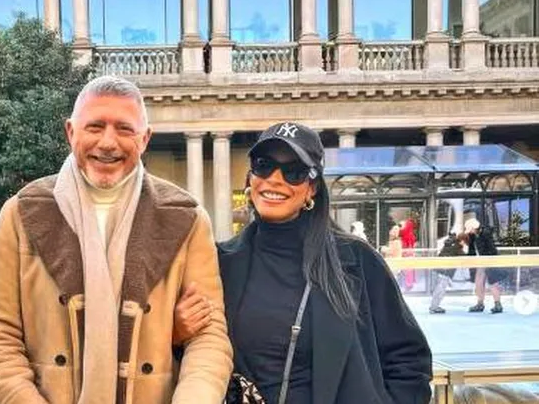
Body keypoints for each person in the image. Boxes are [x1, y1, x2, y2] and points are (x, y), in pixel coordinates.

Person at [0, 76, 233, 404]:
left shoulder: (186, 218)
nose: (108, 142)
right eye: (95, 127)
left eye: (124, 129)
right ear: (71, 132)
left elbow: (209, 338)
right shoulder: (21, 214)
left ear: (144, 139)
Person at [174, 122, 432, 404]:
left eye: (294, 171)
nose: (274, 179)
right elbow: (197, 360)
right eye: (263, 165)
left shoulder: (357, 260)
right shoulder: (220, 263)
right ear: (250, 178)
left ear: (312, 188)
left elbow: (409, 360)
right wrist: (177, 335)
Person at [465, 218, 506, 314]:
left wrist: (489, 261)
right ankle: (480, 304)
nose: (469, 232)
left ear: (474, 228)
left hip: (490, 261)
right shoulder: (472, 235)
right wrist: (470, 260)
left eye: (470, 229)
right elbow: (471, 250)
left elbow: (492, 249)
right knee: (478, 282)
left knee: (493, 283)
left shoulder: (486, 234)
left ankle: (498, 304)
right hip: (480, 262)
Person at [429, 232, 469, 314]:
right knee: (440, 289)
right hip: (445, 270)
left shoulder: (449, 243)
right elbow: (465, 258)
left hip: (438, 268)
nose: (464, 245)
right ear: (462, 241)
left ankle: (434, 306)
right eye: (465, 243)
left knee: (439, 288)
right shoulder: (457, 247)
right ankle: (434, 307)